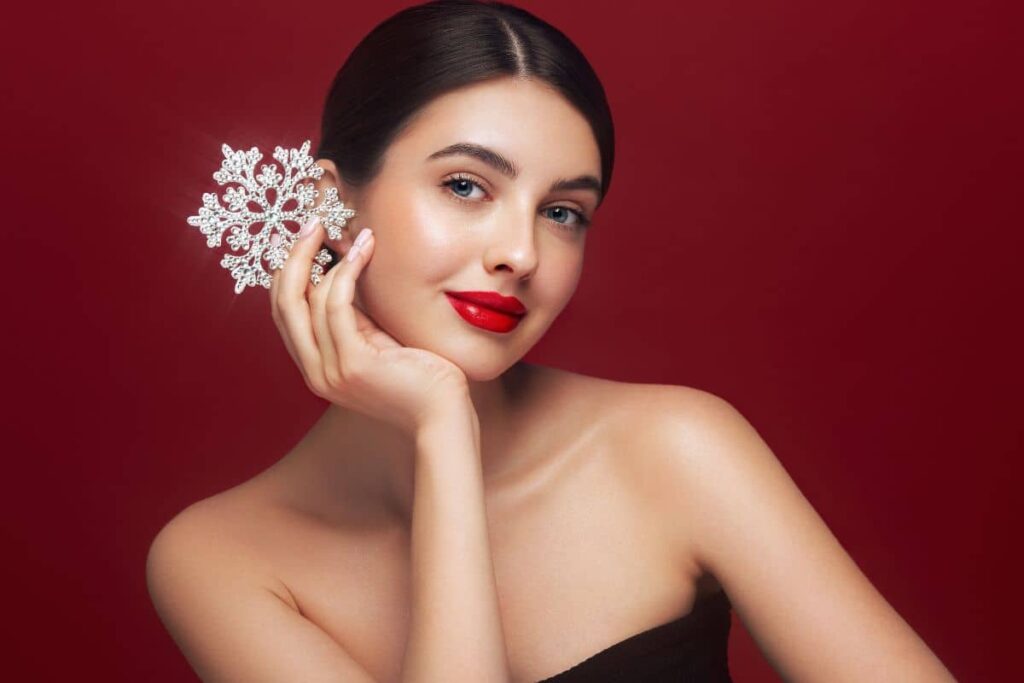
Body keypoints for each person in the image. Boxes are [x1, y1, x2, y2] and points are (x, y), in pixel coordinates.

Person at [146, 1, 956, 681]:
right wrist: (442, 434)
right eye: (466, 186)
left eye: (562, 211)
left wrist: (442, 427)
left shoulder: (675, 447)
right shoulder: (220, 558)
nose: (521, 253)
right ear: (331, 200)